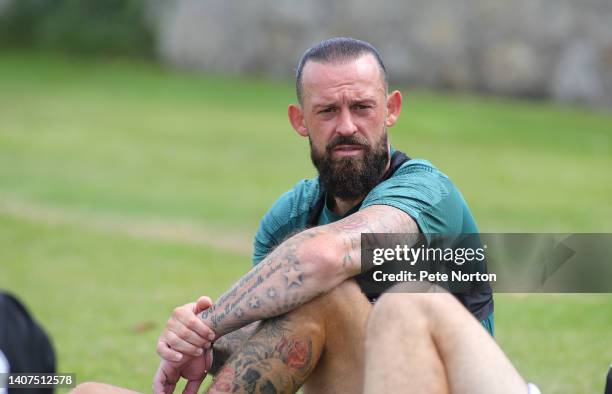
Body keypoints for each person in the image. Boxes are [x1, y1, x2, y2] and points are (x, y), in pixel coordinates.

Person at [73, 37, 502, 393]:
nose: (347, 126)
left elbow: (323, 259)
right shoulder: (288, 217)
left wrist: (211, 322)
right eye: (328, 111)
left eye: (363, 107)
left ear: (391, 109)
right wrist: (203, 342)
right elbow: (270, 331)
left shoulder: (427, 193)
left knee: (328, 292)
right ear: (300, 120)